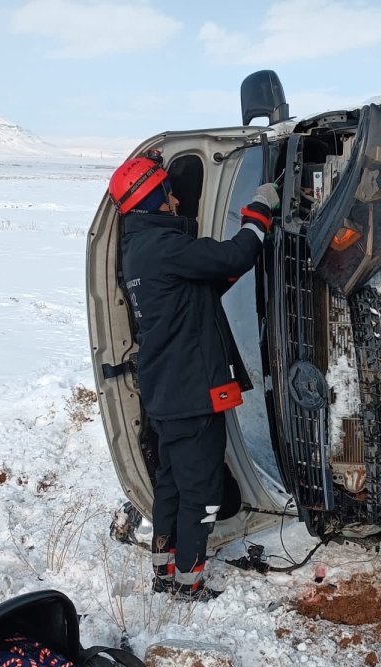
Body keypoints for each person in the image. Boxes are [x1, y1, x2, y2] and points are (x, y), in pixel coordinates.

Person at [108, 151, 278, 602]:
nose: (177, 199)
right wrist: (259, 211)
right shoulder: (167, 248)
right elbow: (235, 254)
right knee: (200, 489)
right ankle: (188, 584)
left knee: (170, 482)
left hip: (166, 391)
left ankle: (165, 572)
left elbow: (202, 286)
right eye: (168, 191)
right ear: (155, 200)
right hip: (192, 395)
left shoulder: (140, 250)